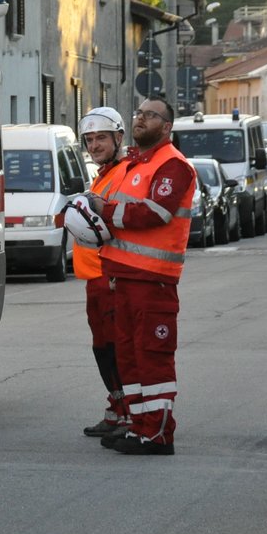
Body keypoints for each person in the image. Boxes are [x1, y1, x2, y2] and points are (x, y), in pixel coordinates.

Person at [88, 95, 196, 455]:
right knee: (129, 356)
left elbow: (155, 213)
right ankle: (138, 426)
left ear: (166, 127)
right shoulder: (136, 164)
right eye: (138, 113)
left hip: (153, 281)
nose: (141, 119)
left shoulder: (173, 165)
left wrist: (107, 210)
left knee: (152, 356)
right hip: (124, 277)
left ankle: (158, 434)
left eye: (151, 115)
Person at [74, 107, 132, 443]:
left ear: (118, 138)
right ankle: (117, 408)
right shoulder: (103, 174)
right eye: (90, 139)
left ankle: (126, 412)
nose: (94, 145)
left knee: (114, 347)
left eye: (101, 138)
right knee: (103, 347)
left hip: (109, 276)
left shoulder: (123, 173)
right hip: (94, 276)